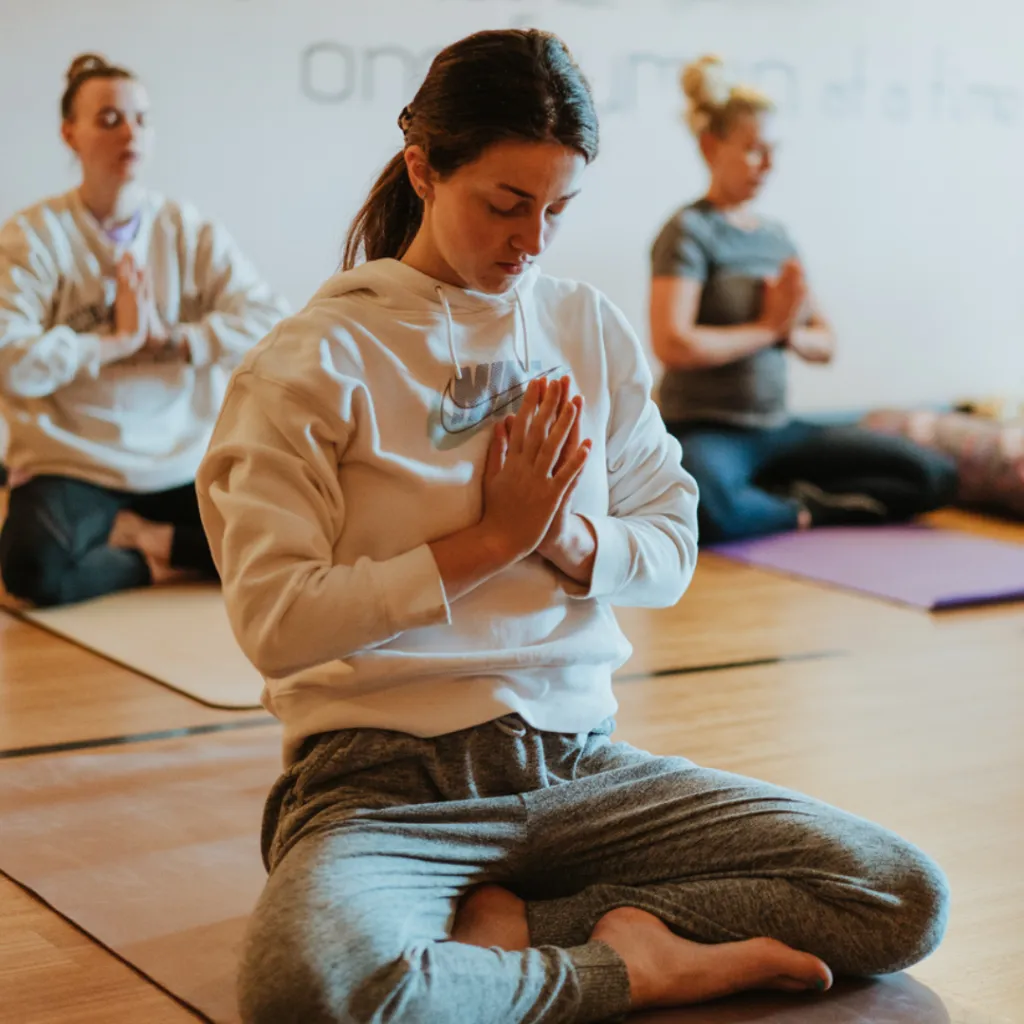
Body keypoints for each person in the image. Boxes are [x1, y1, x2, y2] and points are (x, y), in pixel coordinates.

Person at [197, 30, 948, 1024]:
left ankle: (558, 927)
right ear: (423, 167)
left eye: (558, 209)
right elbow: (275, 622)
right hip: (383, 787)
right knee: (306, 996)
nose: (532, 240)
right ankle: (635, 968)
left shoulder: (583, 325)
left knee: (897, 895)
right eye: (506, 204)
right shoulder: (311, 359)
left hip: (580, 764)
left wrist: (574, 542)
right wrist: (488, 542)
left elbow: (671, 546)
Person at [0, 54, 289, 606]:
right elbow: (8, 360)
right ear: (70, 134)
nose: (129, 131)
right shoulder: (33, 237)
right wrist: (109, 344)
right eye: (109, 118)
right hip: (73, 459)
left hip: (180, 458)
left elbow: (272, 322)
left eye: (141, 118)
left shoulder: (187, 230)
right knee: (32, 571)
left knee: (282, 550)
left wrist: (177, 340)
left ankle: (147, 540)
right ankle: (157, 560)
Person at [649, 55, 957, 543]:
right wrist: (767, 330)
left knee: (933, 476)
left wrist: (787, 332)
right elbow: (673, 344)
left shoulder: (777, 239)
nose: (767, 164)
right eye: (753, 150)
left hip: (778, 428)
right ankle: (795, 508)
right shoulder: (688, 232)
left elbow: (825, 343)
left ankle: (789, 501)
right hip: (705, 431)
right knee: (701, 505)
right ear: (712, 147)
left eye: (772, 150)